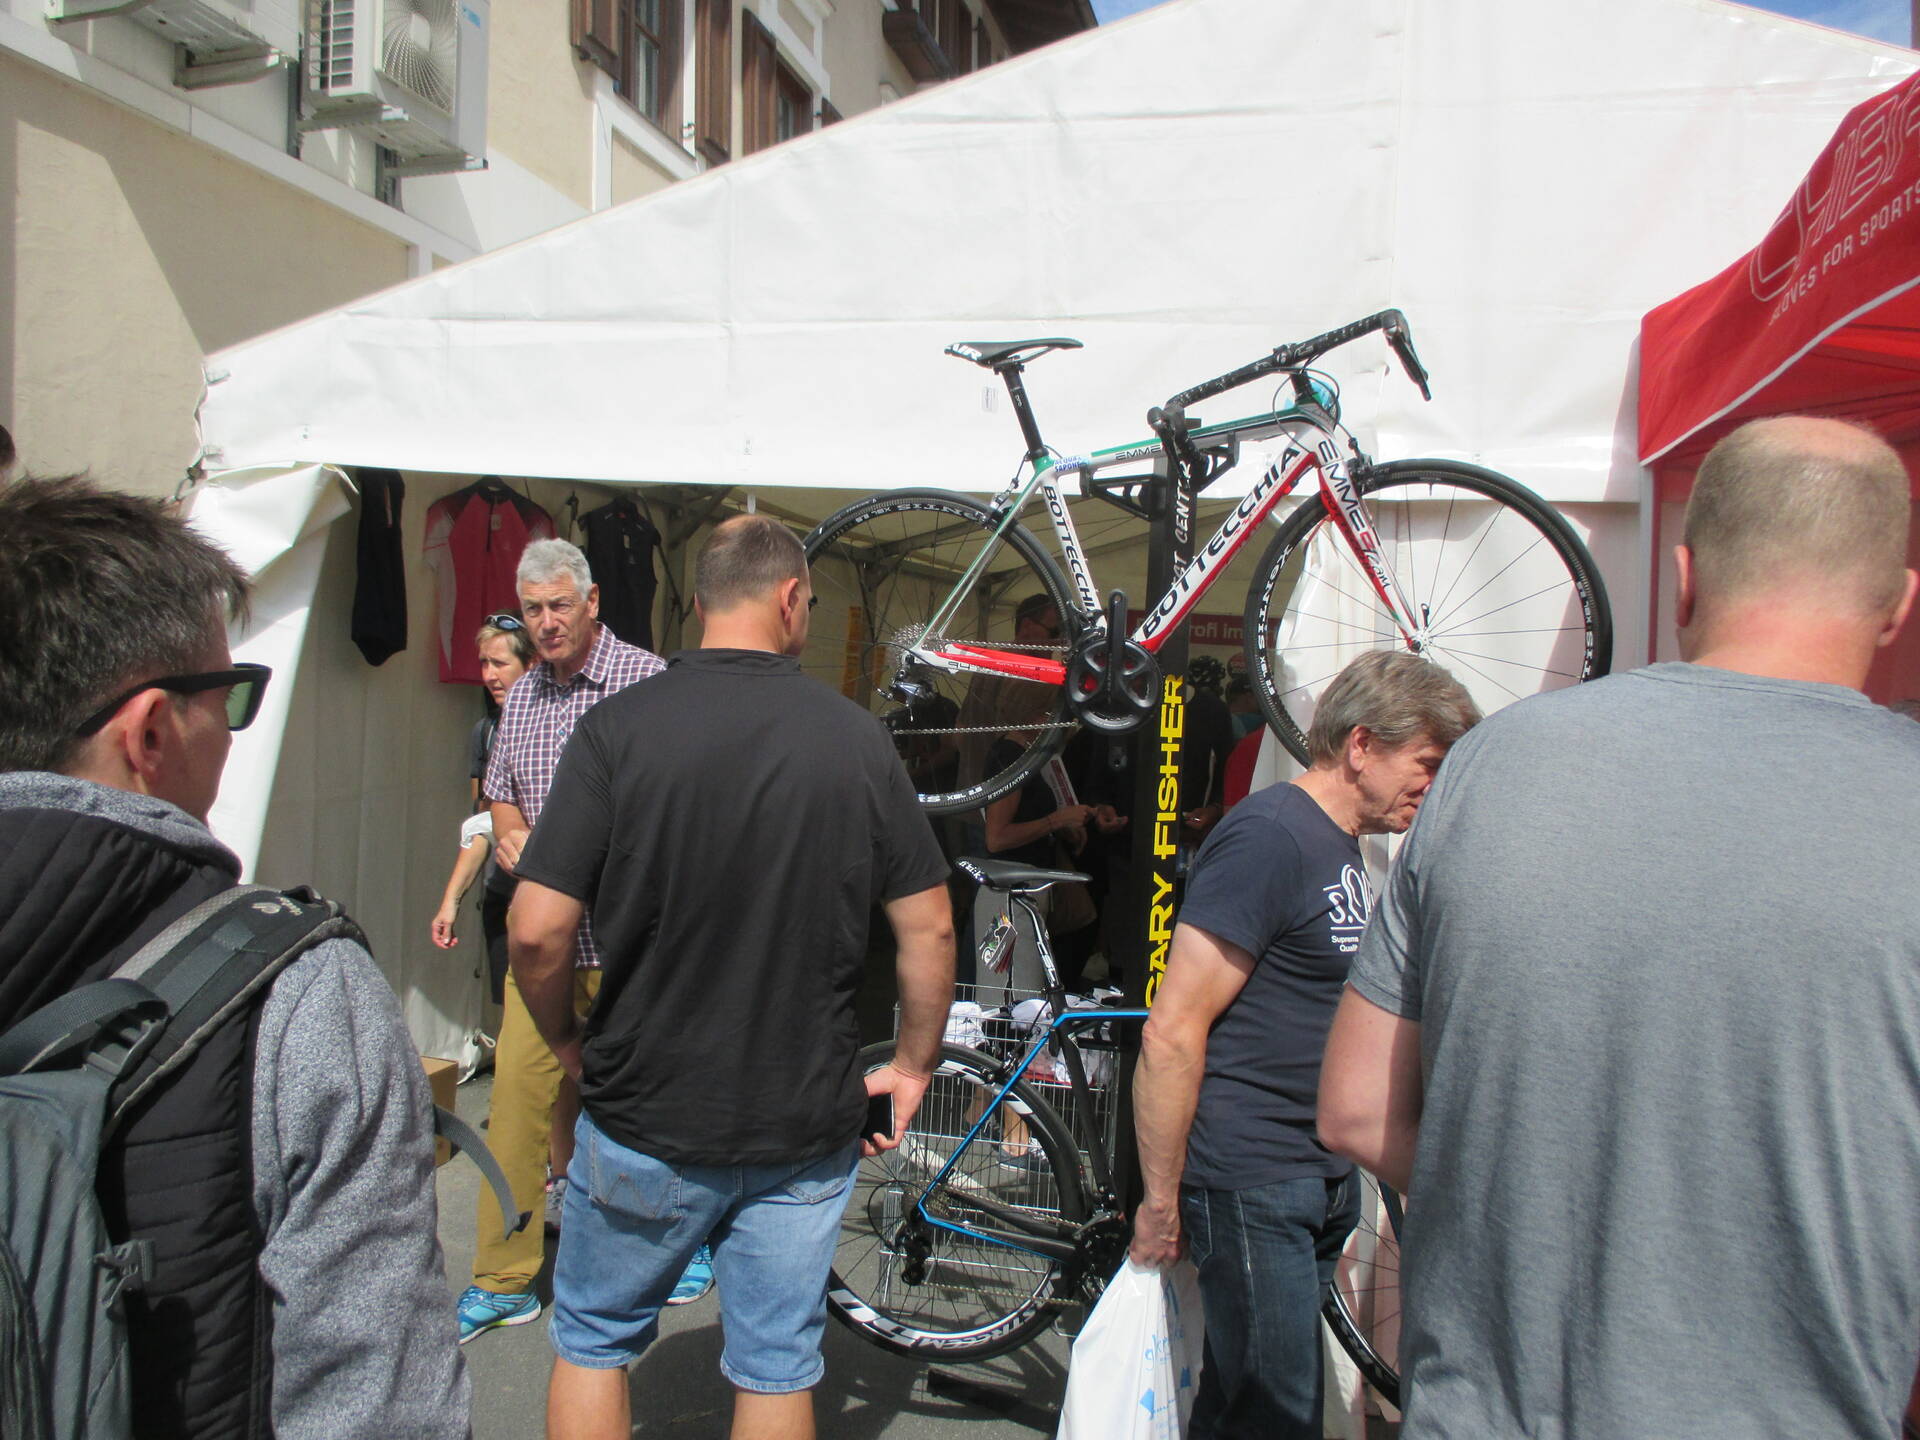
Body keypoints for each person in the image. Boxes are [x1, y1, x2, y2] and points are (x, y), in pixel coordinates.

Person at [1319, 416, 1920, 1440]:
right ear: (1900, 604)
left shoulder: (1491, 767)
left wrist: (1525, 1208)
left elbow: (1354, 1111)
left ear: (1683, 580)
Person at [0, 475, 468, 1437]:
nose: (230, 729)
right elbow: (375, 1399)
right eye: (230, 696)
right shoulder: (299, 990)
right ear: (151, 730)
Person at [508, 514, 955, 1440]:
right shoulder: (857, 740)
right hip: (801, 1122)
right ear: (790, 600)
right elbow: (931, 926)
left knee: (593, 1341)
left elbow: (537, 930)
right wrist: (913, 1065)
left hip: (645, 1111)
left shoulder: (614, 728)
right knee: (776, 1364)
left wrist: (565, 1041)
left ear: (703, 599)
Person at [1129, 650, 1479, 1440]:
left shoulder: (1334, 841)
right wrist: (1160, 1201)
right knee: (1276, 1415)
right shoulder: (1271, 836)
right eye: (1426, 763)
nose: (1433, 785)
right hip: (1253, 1176)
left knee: (1239, 1404)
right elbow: (1173, 1030)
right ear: (1362, 744)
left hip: (1313, 1177)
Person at [461, 539, 675, 1342]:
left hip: (631, 943)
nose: (546, 623)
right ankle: (502, 1278)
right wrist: (513, 833)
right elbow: (500, 797)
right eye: (533, 610)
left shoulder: (647, 682)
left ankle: (677, 1250)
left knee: (653, 1106)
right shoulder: (522, 696)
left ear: (592, 603)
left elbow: (679, 804)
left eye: (558, 606)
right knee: (516, 1106)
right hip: (545, 947)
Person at [430, 614, 536, 1089]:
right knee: (515, 1014)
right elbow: (482, 825)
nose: (489, 675)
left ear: (531, 665)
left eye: (499, 663)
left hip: (553, 897)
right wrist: (450, 900)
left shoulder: (566, 722)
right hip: (504, 895)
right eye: (484, 663)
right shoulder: (486, 732)